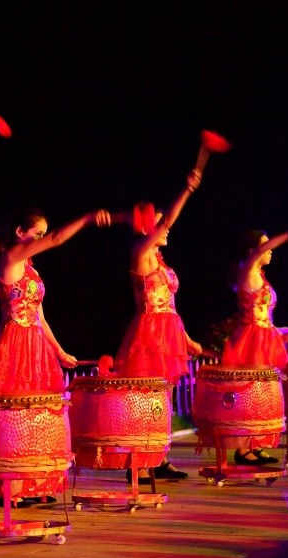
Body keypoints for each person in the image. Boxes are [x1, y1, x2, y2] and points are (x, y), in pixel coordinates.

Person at [115, 169, 203, 483]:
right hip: (149, 334)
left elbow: (170, 303)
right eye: (160, 222)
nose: (166, 227)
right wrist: (187, 190)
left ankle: (158, 457)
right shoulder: (140, 253)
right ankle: (137, 461)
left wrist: (187, 338)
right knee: (145, 397)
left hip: (168, 333)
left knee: (161, 397)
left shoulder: (158, 258)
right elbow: (166, 223)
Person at [0, 206, 112, 393]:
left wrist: (60, 352)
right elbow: (56, 239)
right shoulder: (10, 258)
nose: (42, 240)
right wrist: (87, 219)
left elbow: (41, 319)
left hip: (37, 344)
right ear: (19, 232)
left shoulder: (32, 272)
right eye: (38, 234)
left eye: (44, 234)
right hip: (15, 342)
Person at [221, 228, 288, 465]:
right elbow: (261, 251)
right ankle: (243, 448)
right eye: (265, 246)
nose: (270, 251)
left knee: (263, 394)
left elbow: (265, 319)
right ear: (253, 251)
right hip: (252, 340)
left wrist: (283, 334)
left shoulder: (260, 275)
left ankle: (256, 442)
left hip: (266, 338)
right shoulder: (247, 270)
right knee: (251, 392)